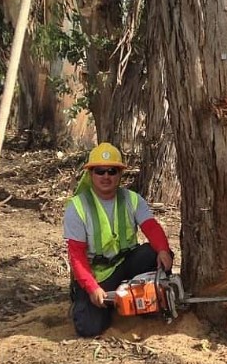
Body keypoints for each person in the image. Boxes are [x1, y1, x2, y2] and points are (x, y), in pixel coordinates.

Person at [64, 142, 174, 337]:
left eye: (112, 171)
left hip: (126, 264)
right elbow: (76, 255)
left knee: (152, 253)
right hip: (98, 275)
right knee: (89, 328)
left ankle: (149, 303)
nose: (106, 176)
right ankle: (98, 302)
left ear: (120, 174)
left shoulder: (133, 199)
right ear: (91, 174)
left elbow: (151, 227)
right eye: (100, 171)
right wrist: (92, 288)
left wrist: (163, 250)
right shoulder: (77, 207)